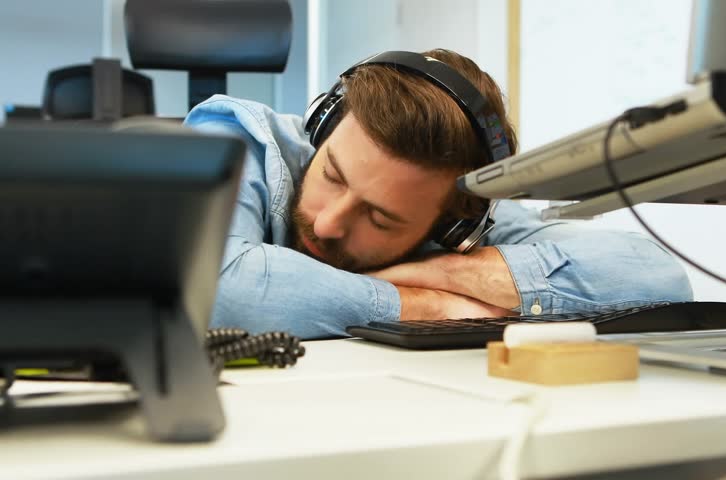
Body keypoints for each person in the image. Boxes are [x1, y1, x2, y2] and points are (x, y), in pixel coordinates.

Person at [184, 48, 693, 340]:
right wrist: (422, 306)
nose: (328, 223)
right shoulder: (233, 139)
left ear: (452, 228)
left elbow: (655, 276)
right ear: (324, 126)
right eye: (333, 175)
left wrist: (448, 272)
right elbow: (210, 288)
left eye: (380, 219)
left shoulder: (462, 223)